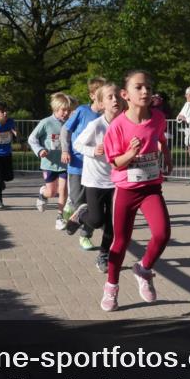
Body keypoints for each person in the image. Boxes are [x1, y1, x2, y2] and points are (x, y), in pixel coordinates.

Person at [99, 69, 173, 311]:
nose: (145, 91)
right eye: (139, 87)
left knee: (162, 234)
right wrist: (131, 153)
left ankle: (143, 269)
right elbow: (114, 162)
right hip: (127, 189)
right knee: (120, 241)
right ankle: (111, 287)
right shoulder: (118, 126)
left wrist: (168, 155)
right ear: (125, 94)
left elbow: (161, 137)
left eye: (148, 87)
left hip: (151, 187)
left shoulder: (158, 117)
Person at [69, 82, 122, 272]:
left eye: (117, 95)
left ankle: (103, 255)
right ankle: (82, 214)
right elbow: (77, 145)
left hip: (116, 181)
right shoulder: (96, 125)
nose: (115, 99)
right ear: (101, 103)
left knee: (112, 222)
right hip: (95, 179)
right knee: (97, 220)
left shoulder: (124, 123)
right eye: (110, 97)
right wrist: (92, 150)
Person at [60, 78, 106, 222]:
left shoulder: (108, 116)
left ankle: (85, 235)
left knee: (92, 204)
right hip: (77, 163)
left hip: (95, 166)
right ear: (92, 95)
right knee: (78, 201)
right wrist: (65, 150)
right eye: (101, 94)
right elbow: (65, 130)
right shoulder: (82, 111)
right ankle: (70, 207)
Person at [29, 92, 73, 230]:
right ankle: (43, 193)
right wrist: (40, 150)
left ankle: (60, 217)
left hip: (65, 163)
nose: (66, 113)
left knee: (63, 189)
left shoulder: (70, 123)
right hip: (49, 163)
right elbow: (32, 139)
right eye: (63, 110)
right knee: (52, 192)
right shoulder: (46, 122)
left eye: (68, 110)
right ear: (55, 108)